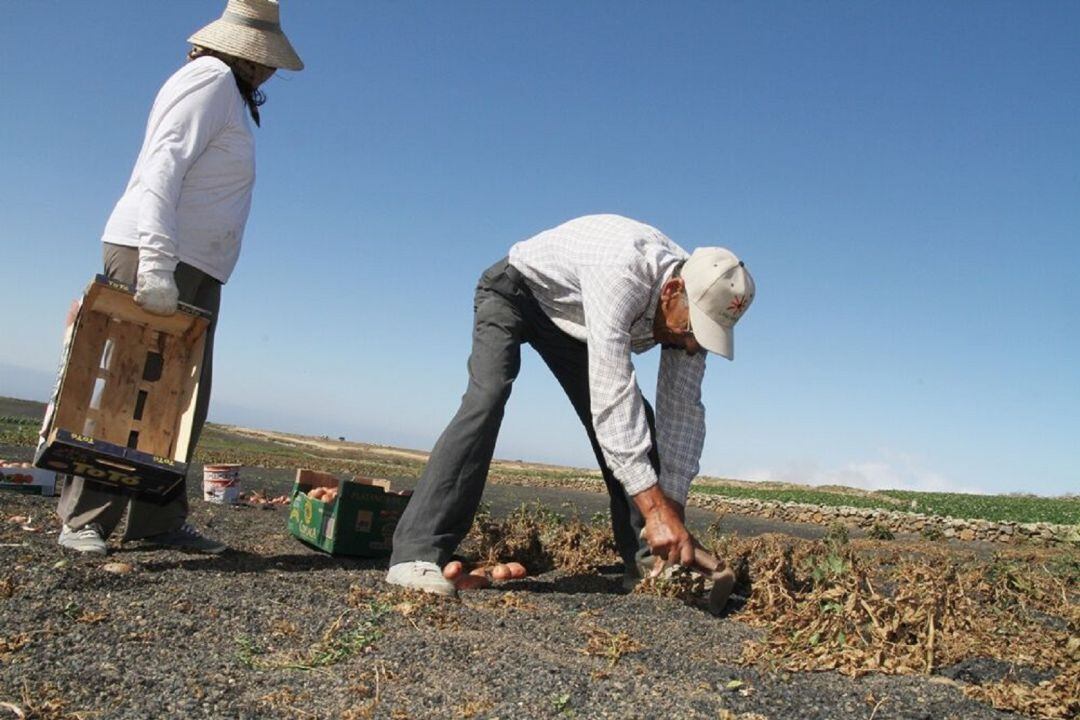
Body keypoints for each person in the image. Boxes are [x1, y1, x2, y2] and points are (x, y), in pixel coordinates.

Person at [386, 214, 755, 595]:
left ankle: (653, 563)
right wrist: (656, 510)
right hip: (516, 292)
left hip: (572, 321)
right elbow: (613, 395)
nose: (691, 345)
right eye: (692, 330)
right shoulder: (623, 269)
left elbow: (682, 415)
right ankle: (416, 552)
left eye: (704, 337)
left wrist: (672, 510)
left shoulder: (692, 315)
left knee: (641, 422)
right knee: (488, 395)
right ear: (672, 290)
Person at [56, 0, 303, 555]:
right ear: (243, 51)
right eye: (263, 59)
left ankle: (156, 520)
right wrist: (156, 264)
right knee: (131, 388)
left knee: (180, 398)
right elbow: (163, 164)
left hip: (195, 265)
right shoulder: (209, 79)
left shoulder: (228, 95)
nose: (267, 71)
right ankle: (87, 519)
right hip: (158, 252)